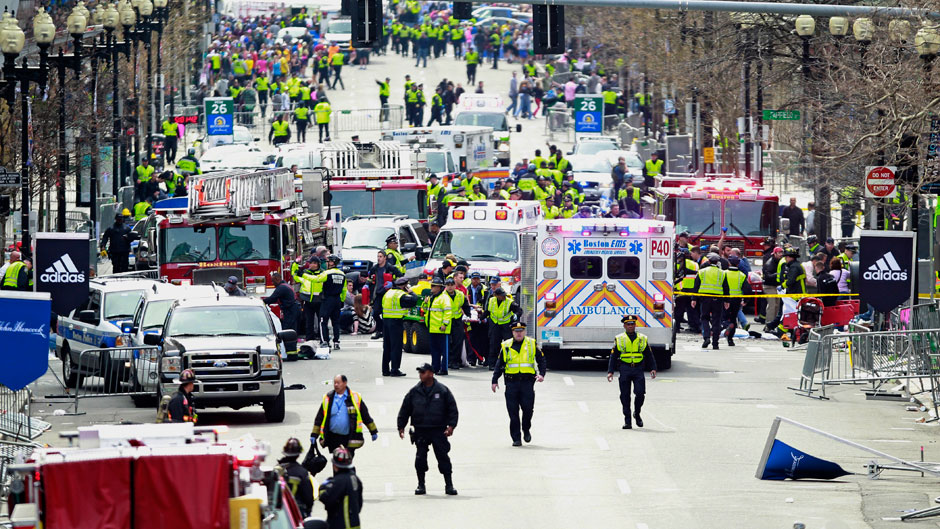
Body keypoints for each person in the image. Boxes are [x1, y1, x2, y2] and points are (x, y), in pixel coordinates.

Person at [397, 363, 459, 496]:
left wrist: (451, 426)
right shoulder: (414, 392)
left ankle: (449, 485)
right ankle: (421, 485)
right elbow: (405, 409)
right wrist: (401, 426)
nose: (420, 375)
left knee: (443, 458)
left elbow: (452, 409)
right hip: (421, 430)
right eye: (420, 372)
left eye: (423, 372)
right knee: (420, 459)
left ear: (431, 373)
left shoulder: (442, 391)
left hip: (438, 430)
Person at [491, 322, 546, 446]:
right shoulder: (505, 345)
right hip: (511, 383)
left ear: (525, 332)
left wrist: (542, 374)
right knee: (513, 412)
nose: (519, 333)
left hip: (527, 383)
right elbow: (499, 364)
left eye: (521, 331)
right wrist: (494, 380)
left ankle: (526, 429)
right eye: (516, 331)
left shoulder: (531, 343)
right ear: (512, 332)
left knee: (528, 410)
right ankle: (516, 438)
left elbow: (541, 359)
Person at [607, 315, 657, 429]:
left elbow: (649, 354)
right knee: (625, 396)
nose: (630, 326)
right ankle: (627, 420)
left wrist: (653, 368)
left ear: (635, 325)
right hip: (624, 368)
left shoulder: (642, 338)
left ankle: (637, 413)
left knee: (640, 393)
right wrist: (610, 371)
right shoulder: (619, 338)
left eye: (632, 324)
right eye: (628, 324)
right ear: (624, 326)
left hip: (638, 369)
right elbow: (613, 356)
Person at [311, 374, 378, 455]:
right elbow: (319, 417)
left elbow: (365, 415)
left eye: (338, 383)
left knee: (346, 460)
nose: (336, 385)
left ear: (345, 383)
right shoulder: (328, 398)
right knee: (337, 460)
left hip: (349, 437)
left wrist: (373, 431)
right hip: (333, 437)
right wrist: (314, 435)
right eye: (335, 383)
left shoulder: (355, 397)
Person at [302, 447, 363, 529]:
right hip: (355, 524)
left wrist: (324, 485)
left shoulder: (338, 482)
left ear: (335, 465)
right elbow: (359, 505)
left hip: (340, 525)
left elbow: (325, 498)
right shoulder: (355, 479)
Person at [382, 278, 419, 376]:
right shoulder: (401, 295)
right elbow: (414, 301)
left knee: (387, 346)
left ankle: (385, 370)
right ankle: (395, 369)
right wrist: (411, 292)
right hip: (396, 322)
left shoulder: (388, 293)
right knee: (396, 347)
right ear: (404, 286)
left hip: (386, 321)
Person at [691, 253, 726, 350]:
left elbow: (696, 286)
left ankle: (706, 337)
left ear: (709, 261)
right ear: (717, 262)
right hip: (718, 299)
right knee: (716, 320)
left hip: (705, 299)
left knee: (704, 318)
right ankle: (715, 343)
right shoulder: (722, 273)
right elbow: (726, 287)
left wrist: (694, 299)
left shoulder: (702, 272)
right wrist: (727, 301)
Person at [483, 287, 523, 369]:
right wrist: (482, 318)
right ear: (496, 295)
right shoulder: (491, 300)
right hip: (495, 325)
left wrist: (516, 315)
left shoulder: (509, 302)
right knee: (494, 345)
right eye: (501, 295)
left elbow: (519, 310)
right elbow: (488, 311)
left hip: (506, 326)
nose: (503, 297)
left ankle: (510, 363)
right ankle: (492, 364)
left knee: (508, 345)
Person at [263, 272, 300, 355]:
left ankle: (291, 353)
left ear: (278, 279)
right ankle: (291, 351)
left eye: (273, 281)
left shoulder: (281, 288)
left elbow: (272, 299)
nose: (273, 283)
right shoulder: (285, 285)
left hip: (291, 310)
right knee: (292, 330)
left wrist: (260, 301)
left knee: (288, 330)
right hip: (293, 309)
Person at [422, 277, 453, 374]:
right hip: (432, 328)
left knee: (444, 351)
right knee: (434, 351)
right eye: (432, 285)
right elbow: (425, 310)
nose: (431, 287)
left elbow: (448, 313)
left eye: (434, 286)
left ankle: (444, 369)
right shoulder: (431, 298)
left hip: (441, 329)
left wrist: (444, 324)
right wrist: (425, 303)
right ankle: (435, 368)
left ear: (439, 287)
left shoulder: (444, 298)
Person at [279, 438, 315, 518]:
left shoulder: (276, 470)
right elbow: (308, 498)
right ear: (298, 454)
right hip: (296, 513)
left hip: (279, 512)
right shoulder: (302, 472)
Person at [317, 255, 347, 349]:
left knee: (323, 321)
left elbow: (316, 279)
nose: (326, 263)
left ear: (332, 263)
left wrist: (304, 275)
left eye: (328, 261)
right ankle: (336, 342)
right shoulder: (342, 274)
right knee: (336, 322)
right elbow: (344, 289)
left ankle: (324, 341)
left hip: (327, 299)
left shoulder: (327, 273)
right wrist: (342, 300)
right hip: (337, 300)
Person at [722, 256, 753, 346]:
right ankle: (730, 340)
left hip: (725, 299)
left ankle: (727, 325)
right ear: (738, 264)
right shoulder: (742, 275)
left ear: (729, 263)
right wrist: (746, 301)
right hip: (736, 299)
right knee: (734, 319)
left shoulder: (724, 273)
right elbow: (748, 290)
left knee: (724, 317)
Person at [445, 277, 471, 371]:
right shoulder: (443, 295)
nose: (450, 287)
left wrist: (468, 315)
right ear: (446, 286)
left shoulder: (460, 294)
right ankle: (448, 361)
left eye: (452, 285)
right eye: (448, 285)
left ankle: (455, 362)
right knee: (447, 342)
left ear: (455, 286)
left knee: (458, 342)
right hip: (447, 321)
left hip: (457, 320)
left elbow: (466, 305)